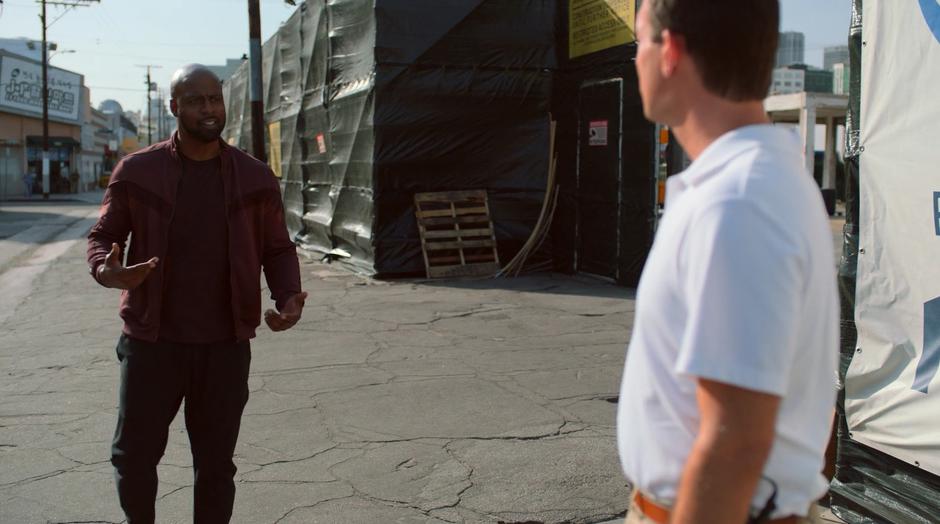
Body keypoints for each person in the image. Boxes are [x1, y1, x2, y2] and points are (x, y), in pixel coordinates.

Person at [617, 1, 838, 523]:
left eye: (639, 43)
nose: (636, 61)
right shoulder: (757, 182)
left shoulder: (737, 203)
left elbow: (733, 444)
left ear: (670, 51)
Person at [87, 64, 307, 523]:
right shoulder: (138, 171)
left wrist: (288, 296)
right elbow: (104, 235)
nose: (208, 109)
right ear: (174, 107)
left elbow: (277, 247)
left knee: (215, 466)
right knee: (133, 457)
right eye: (194, 100)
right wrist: (109, 272)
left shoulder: (254, 177)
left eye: (214, 98)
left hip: (225, 345)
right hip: (153, 344)